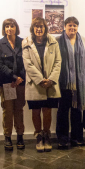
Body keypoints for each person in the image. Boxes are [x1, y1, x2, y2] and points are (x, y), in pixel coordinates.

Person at [22, 17, 61, 152]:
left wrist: (50, 79)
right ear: (33, 28)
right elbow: (27, 64)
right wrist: (40, 79)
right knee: (36, 110)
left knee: (47, 110)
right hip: (34, 84)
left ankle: (46, 135)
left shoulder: (53, 41)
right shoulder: (26, 42)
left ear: (45, 28)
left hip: (50, 83)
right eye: (36, 27)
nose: (39, 29)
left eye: (41, 27)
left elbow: (58, 62)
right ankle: (39, 136)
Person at [56, 17, 85, 149]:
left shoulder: (83, 40)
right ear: (64, 26)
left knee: (76, 111)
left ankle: (76, 137)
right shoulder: (58, 40)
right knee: (63, 111)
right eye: (70, 25)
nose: (72, 28)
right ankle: (63, 138)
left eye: (75, 25)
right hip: (64, 82)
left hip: (79, 83)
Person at [0, 18, 26, 150]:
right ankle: (7, 137)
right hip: (6, 82)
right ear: (4, 29)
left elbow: (27, 62)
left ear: (16, 28)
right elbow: (0, 65)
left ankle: (20, 136)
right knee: (8, 111)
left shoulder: (23, 42)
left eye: (12, 26)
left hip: (20, 83)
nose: (9, 28)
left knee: (19, 109)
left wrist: (20, 78)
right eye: (7, 26)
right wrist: (14, 77)